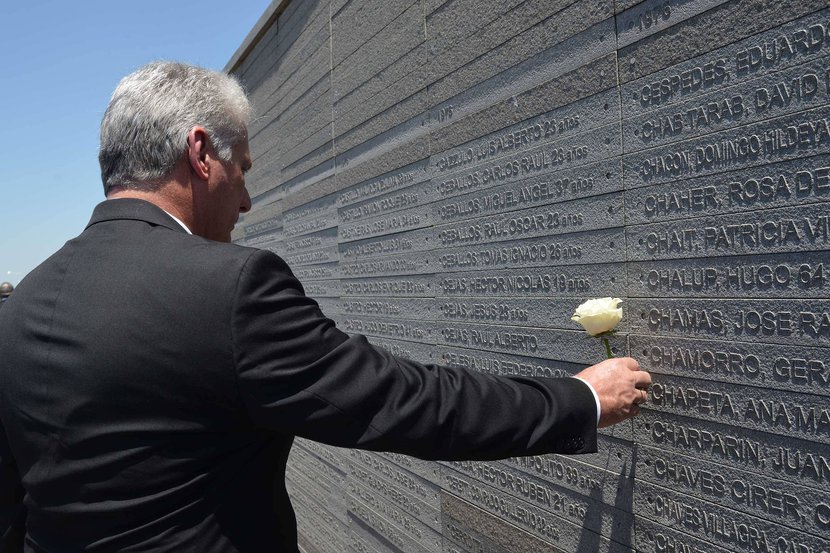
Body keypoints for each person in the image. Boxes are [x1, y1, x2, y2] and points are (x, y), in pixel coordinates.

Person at [0, 62, 651, 552]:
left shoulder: (23, 306)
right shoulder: (229, 288)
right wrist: (577, 399)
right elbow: (404, 401)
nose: (248, 200)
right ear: (200, 153)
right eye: (243, 169)